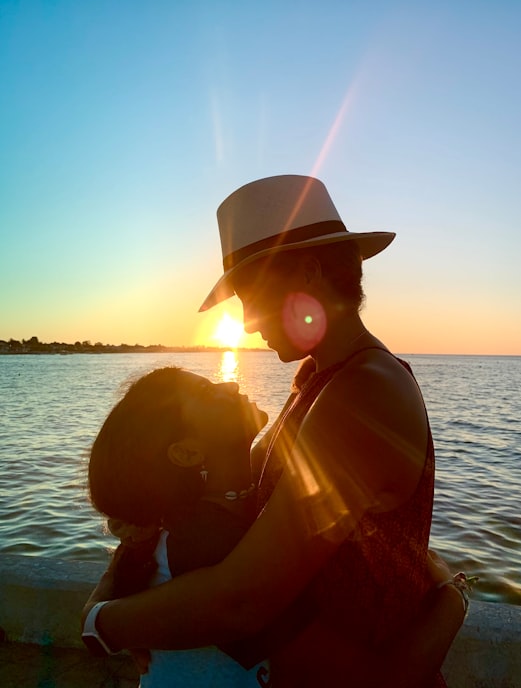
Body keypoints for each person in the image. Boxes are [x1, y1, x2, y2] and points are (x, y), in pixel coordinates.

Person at [83, 175, 472, 687]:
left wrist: (100, 625)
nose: (245, 323)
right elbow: (361, 533)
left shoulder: (364, 394)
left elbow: (244, 601)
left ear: (308, 272)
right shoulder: (318, 379)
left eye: (250, 294)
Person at [86, 365, 271, 687]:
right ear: (187, 452)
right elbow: (253, 620)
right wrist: (97, 622)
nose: (228, 385)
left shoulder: (211, 511)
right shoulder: (203, 536)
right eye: (206, 392)